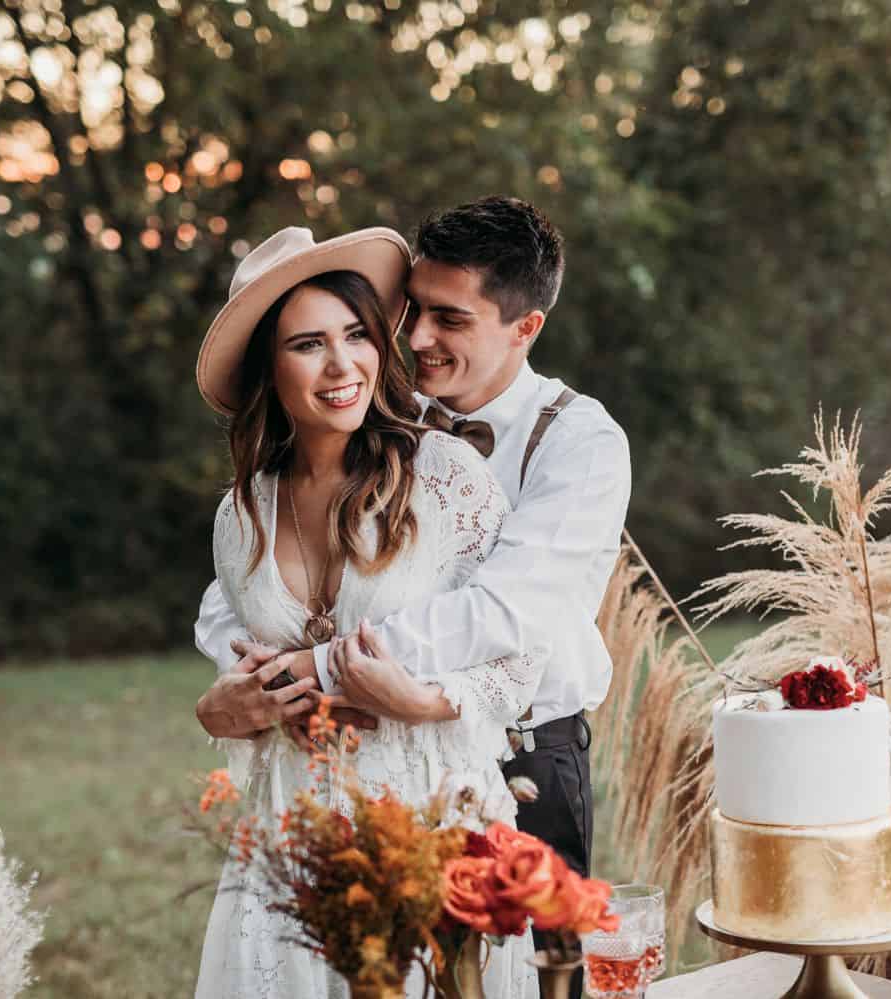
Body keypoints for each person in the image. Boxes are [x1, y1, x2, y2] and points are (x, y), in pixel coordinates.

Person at [195, 198, 631, 998]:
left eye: (448, 319)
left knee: (540, 976)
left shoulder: (579, 441)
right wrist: (238, 684)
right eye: (413, 310)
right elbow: (238, 589)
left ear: (523, 328)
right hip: (329, 783)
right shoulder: (367, 414)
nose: (417, 339)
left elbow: (506, 615)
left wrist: (326, 673)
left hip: (522, 752)